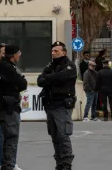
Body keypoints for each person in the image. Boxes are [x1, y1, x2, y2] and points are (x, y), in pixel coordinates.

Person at [37, 41, 78, 170]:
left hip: (62, 105)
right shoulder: (50, 65)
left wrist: (49, 78)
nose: (53, 53)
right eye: (52, 51)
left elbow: (62, 77)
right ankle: (59, 162)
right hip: (50, 104)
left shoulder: (69, 66)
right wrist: (52, 78)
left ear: (64, 52)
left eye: (56, 51)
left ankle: (66, 163)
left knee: (63, 135)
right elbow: (40, 80)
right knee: (54, 135)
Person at [0, 45, 27, 170]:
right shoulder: (6, 68)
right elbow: (22, 84)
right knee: (10, 138)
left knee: (7, 138)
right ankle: (7, 165)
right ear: (13, 55)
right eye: (18, 53)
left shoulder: (3, 67)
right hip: (8, 108)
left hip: (6, 107)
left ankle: (6, 164)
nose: (20, 55)